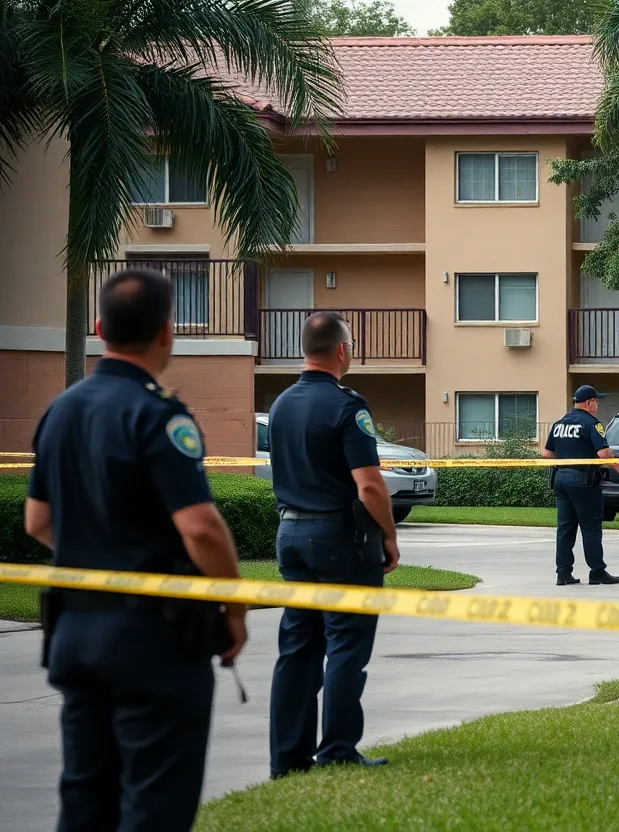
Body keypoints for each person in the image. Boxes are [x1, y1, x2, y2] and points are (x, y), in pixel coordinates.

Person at [24, 268, 247, 831]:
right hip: (153, 641)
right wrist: (234, 606)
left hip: (76, 632)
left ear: (99, 328)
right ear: (167, 332)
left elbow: (37, 521)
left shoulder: (61, 410)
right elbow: (200, 528)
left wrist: (100, 554)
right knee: (154, 805)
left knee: (85, 801)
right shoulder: (158, 412)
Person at [267, 311, 401, 778]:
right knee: (346, 643)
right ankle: (338, 748)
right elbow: (370, 485)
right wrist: (389, 535)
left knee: (297, 647)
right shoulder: (347, 406)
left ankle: (288, 758)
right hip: (338, 538)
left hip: (290, 533)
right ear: (342, 350)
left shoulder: (281, 403)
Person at [541, 385, 619, 586]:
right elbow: (603, 454)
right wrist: (618, 466)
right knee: (591, 527)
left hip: (560, 479)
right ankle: (597, 572)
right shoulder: (592, 424)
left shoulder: (559, 424)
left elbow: (547, 453)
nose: (597, 405)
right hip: (583, 481)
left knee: (565, 528)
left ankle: (563, 573)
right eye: (596, 401)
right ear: (589, 402)